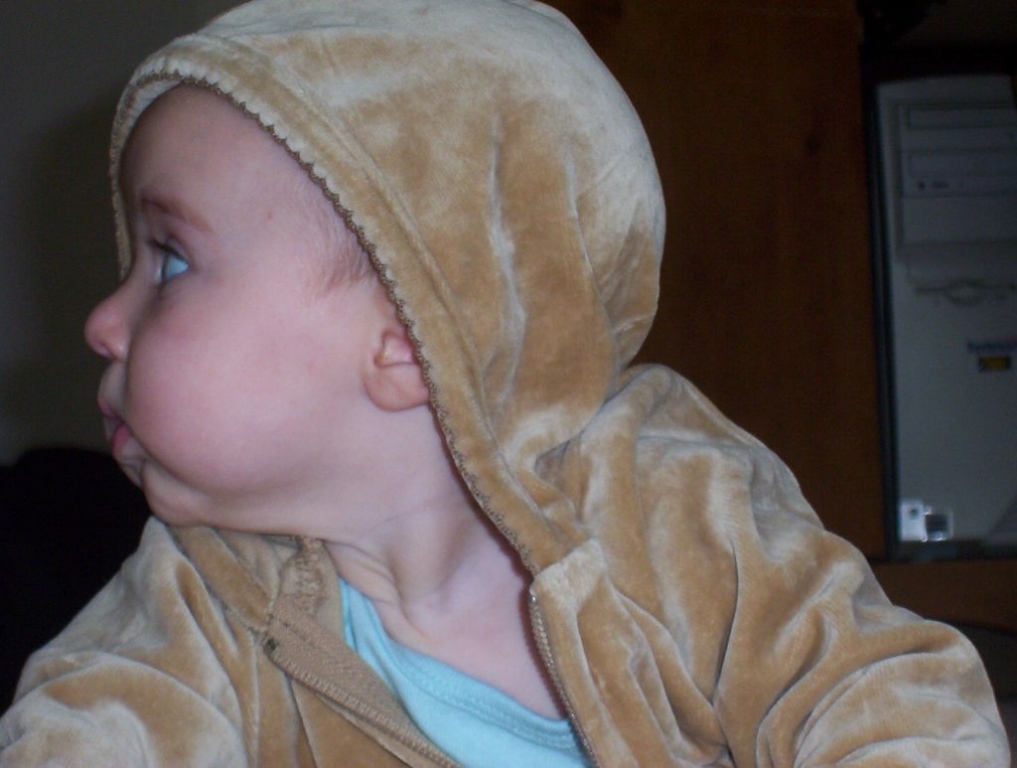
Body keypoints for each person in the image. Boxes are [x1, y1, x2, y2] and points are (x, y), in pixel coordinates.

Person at [0, 1, 1009, 765]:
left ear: (411, 329)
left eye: (170, 259)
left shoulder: (668, 501)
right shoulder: (199, 592)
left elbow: (881, 693)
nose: (101, 319)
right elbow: (95, 719)